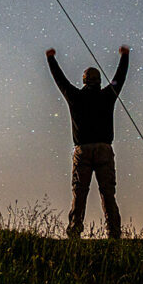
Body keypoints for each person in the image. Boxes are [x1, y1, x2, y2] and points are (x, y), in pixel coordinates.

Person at [46, 44, 129, 239]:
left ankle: (75, 231)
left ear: (84, 81)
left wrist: (51, 59)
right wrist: (125, 56)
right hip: (104, 150)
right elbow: (120, 77)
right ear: (99, 81)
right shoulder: (108, 95)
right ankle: (114, 233)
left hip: (82, 150)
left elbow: (60, 80)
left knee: (79, 193)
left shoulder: (75, 96)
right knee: (108, 193)